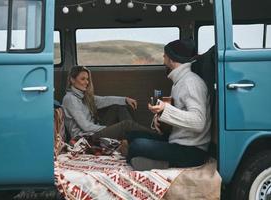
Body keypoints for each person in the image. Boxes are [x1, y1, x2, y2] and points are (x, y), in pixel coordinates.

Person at [126, 39, 212, 170]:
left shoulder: (190, 83)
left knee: (137, 145)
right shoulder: (179, 81)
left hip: (191, 150)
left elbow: (198, 122)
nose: (163, 57)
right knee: (132, 135)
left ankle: (163, 164)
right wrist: (160, 117)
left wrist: (165, 109)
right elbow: (178, 113)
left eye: (165, 55)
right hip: (176, 140)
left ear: (172, 59)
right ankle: (141, 160)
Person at [62, 66, 153, 143]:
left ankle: (131, 140)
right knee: (126, 125)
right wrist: (110, 129)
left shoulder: (83, 95)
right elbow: (85, 126)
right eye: (83, 79)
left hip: (93, 131)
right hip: (85, 138)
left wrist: (125, 99)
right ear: (72, 80)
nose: (87, 82)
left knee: (118, 107)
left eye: (87, 79)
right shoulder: (70, 99)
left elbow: (104, 100)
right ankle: (155, 138)